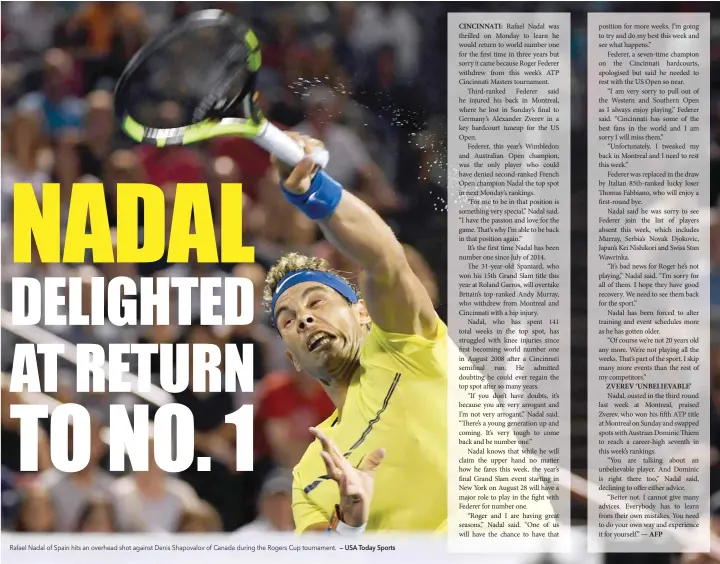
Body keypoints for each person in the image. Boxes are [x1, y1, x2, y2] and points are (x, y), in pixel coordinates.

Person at [265, 133, 554, 534]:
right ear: (292, 358)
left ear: (363, 312)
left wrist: (315, 191)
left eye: (317, 302)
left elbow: (384, 260)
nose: (304, 320)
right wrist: (350, 522)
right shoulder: (311, 470)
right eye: (287, 320)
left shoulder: (405, 346)